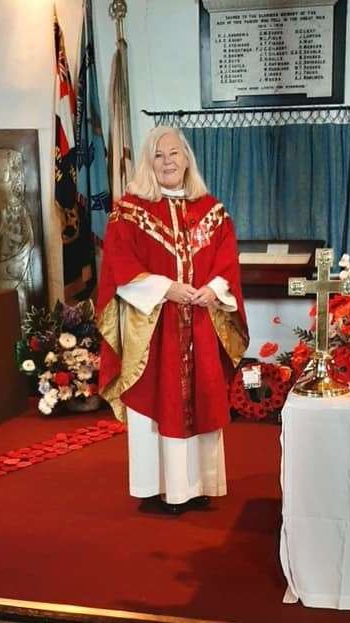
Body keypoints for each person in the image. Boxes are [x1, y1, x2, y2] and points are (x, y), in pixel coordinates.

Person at [96, 126, 249, 514]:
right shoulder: (129, 211)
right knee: (155, 398)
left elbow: (226, 259)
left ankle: (196, 486)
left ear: (187, 159)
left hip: (199, 321)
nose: (167, 162)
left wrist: (213, 289)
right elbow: (120, 263)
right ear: (149, 162)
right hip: (154, 327)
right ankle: (156, 488)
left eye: (174, 154)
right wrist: (166, 288)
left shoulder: (211, 211)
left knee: (201, 398)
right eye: (159, 156)